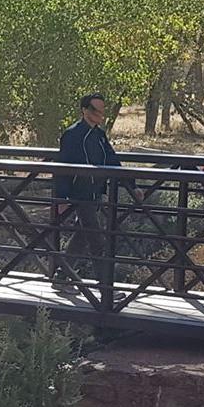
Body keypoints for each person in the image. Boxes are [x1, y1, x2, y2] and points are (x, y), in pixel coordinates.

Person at [51, 93, 141, 290]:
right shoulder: (72, 135)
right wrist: (61, 198)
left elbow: (112, 160)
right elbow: (61, 168)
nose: (100, 114)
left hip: (95, 193)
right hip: (79, 194)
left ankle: (61, 277)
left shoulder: (99, 135)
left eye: (102, 110)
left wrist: (132, 184)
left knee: (81, 237)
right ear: (85, 110)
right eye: (95, 110)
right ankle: (106, 290)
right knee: (96, 241)